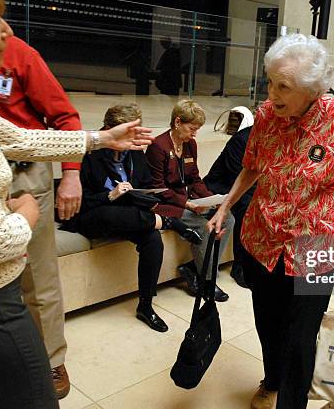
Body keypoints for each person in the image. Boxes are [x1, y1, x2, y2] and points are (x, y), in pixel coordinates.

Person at [0, 0, 153, 407]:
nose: (8, 33)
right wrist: (28, 211)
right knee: (30, 398)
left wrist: (101, 139)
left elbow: (19, 138)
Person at [208, 33, 334, 409]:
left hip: (317, 247)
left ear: (312, 89)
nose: (273, 94)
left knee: (300, 336)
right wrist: (225, 206)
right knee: (268, 321)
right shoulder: (266, 115)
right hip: (263, 240)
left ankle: (290, 402)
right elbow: (252, 166)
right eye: (270, 82)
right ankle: (273, 379)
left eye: (284, 87)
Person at [0, 35, 81, 399]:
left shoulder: (17, 52)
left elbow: (64, 116)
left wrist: (71, 173)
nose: (2, 27)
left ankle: (52, 357)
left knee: (38, 276)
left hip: (24, 172)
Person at [73, 103, 202, 332]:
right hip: (96, 215)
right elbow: (82, 201)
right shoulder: (90, 154)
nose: (132, 138)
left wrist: (137, 193)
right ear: (109, 128)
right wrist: (110, 195)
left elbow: (146, 187)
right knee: (114, 214)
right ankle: (170, 222)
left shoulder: (134, 152)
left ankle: (146, 304)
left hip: (131, 215)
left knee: (152, 239)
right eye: (128, 132)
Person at [146, 99, 235, 302]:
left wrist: (211, 199)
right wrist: (187, 204)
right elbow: (158, 188)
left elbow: (194, 178)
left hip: (188, 200)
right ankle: (207, 282)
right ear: (178, 122)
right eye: (192, 128)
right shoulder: (158, 147)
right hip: (165, 204)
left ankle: (194, 269)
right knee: (203, 226)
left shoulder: (190, 145)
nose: (194, 134)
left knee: (227, 217)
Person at [203, 106, 255, 288]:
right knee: (248, 206)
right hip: (221, 187)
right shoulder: (241, 140)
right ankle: (239, 266)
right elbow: (237, 177)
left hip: (246, 188)